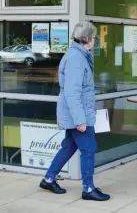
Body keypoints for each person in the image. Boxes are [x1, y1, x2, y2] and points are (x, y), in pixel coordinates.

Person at [39, 22, 111, 201]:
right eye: (94, 37)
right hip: (79, 115)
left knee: (69, 146)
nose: (95, 40)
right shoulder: (76, 59)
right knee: (89, 149)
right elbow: (72, 92)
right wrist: (80, 120)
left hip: (79, 112)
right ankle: (88, 189)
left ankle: (48, 179)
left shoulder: (80, 55)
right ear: (87, 39)